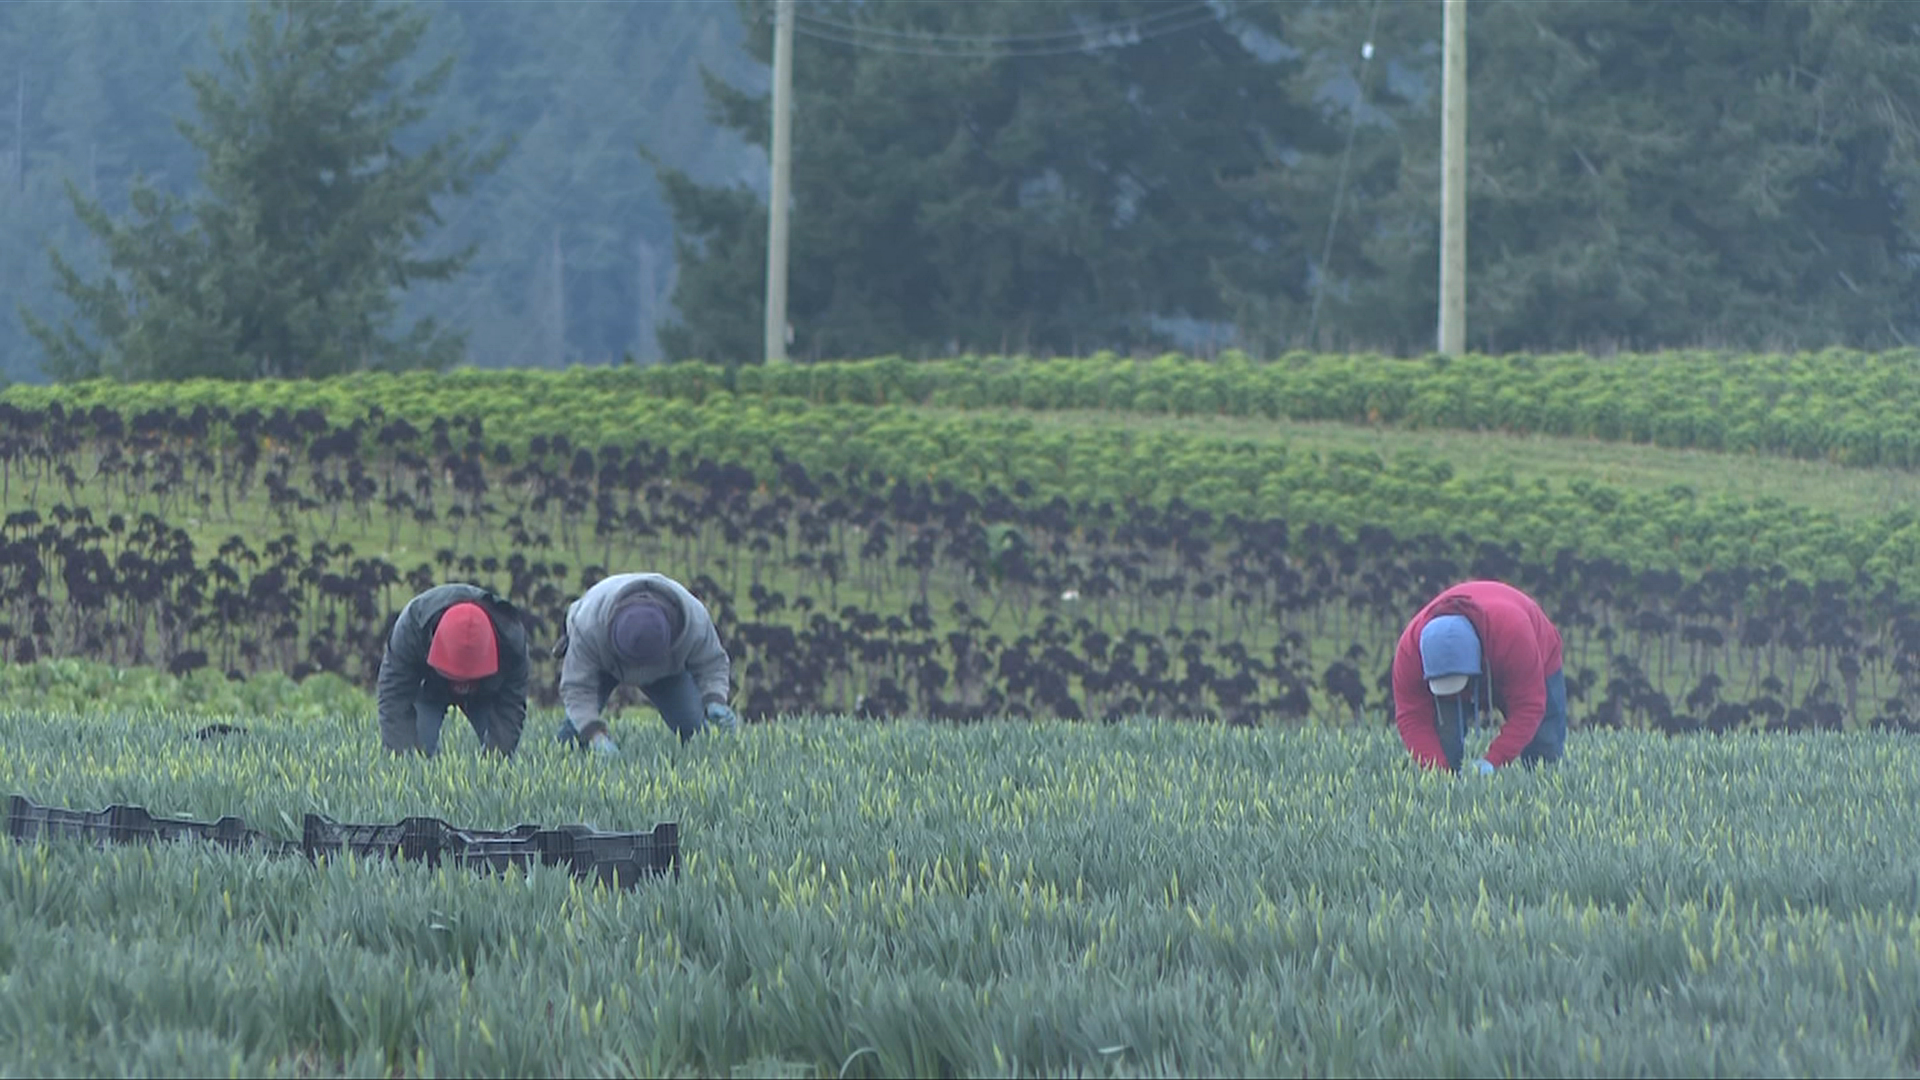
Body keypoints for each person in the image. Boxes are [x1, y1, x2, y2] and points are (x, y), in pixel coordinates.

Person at [1390, 579, 1567, 775]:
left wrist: (1493, 760)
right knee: (1443, 745)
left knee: (1544, 745)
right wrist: (1438, 771)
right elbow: (1412, 717)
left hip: (1527, 659)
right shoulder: (1409, 652)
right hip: (1490, 656)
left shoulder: (1513, 635)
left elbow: (1529, 706)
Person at [553, 572, 739, 755]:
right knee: (573, 737)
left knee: (697, 737)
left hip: (666, 673)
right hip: (605, 664)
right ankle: (562, 758)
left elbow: (712, 664)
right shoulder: (588, 626)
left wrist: (715, 698)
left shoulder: (694, 621)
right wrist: (593, 734)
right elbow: (577, 689)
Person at [376, 583, 530, 757]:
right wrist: (401, 760)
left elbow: (511, 706)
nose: (462, 687)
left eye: (467, 682)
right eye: (457, 679)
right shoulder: (412, 627)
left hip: (485, 691)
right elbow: (394, 697)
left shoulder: (511, 638)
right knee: (413, 755)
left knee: (504, 759)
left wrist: (495, 767)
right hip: (429, 686)